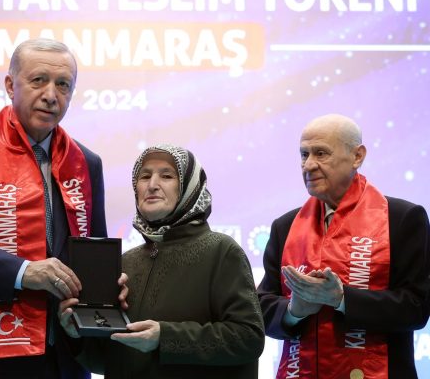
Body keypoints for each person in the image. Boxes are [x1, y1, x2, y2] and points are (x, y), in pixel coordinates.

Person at [0, 38, 108, 378]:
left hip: (63, 361)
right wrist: (23, 271)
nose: (51, 95)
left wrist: (108, 283)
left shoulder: (86, 163)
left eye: (63, 85)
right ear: (11, 85)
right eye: (38, 80)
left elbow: (92, 253)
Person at [59, 144, 264, 378]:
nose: (152, 185)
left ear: (189, 187)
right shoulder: (127, 262)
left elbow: (248, 338)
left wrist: (164, 337)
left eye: (166, 176)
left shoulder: (221, 251)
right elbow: (110, 361)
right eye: (144, 176)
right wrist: (77, 335)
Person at [257, 114, 430, 378]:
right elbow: (261, 310)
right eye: (304, 154)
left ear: (357, 156)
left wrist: (340, 299)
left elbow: (416, 309)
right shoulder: (285, 226)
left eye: (321, 153)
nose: (309, 165)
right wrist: (294, 310)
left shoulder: (403, 218)